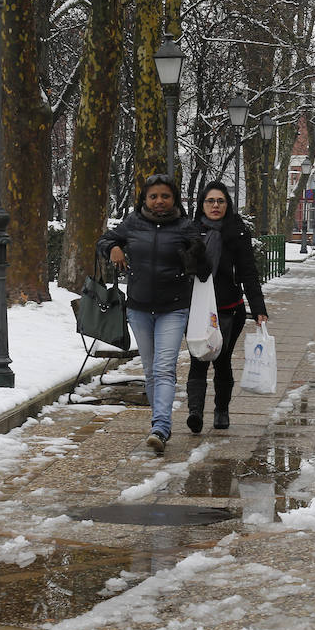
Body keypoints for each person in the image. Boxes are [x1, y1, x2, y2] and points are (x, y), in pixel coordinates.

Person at [97, 174, 209, 454]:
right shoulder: (132, 224)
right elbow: (104, 240)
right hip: (139, 308)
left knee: (164, 368)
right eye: (153, 196)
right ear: (144, 199)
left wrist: (193, 254)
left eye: (165, 196)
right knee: (150, 369)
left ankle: (160, 427)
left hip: (173, 307)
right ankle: (159, 422)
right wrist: (113, 248)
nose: (159, 201)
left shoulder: (186, 226)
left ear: (175, 199)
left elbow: (203, 265)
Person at [186, 181, 268, 432]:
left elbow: (248, 272)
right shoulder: (191, 231)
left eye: (220, 201)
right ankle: (195, 413)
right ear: (202, 204)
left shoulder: (238, 232)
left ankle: (221, 409)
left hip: (228, 308)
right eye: (210, 201)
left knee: (221, 360)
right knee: (198, 358)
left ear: (227, 205)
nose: (215, 205)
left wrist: (259, 308)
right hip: (198, 309)